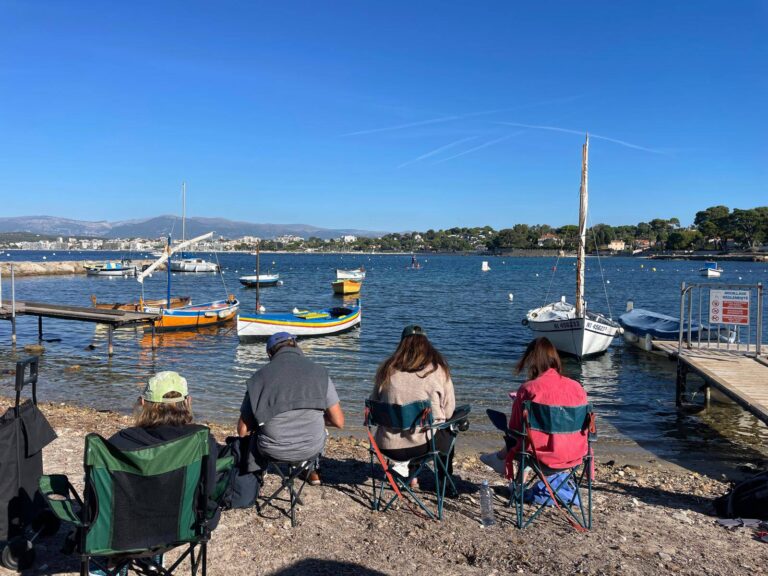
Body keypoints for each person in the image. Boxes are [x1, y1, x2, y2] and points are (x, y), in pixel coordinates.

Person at [95, 371, 220, 575]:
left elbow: (98, 494)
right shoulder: (202, 441)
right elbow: (208, 493)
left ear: (143, 403)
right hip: (180, 528)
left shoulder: (117, 444)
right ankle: (153, 553)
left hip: (122, 533)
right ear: (188, 402)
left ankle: (117, 559)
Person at [237, 332, 344, 486]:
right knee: (319, 427)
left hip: (272, 451)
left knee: (258, 431)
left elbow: (242, 430)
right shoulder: (320, 373)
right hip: (310, 448)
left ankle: (259, 472)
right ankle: (311, 470)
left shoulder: (258, 378)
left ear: (269, 353)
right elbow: (339, 422)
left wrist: (265, 418)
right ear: (296, 346)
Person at [370, 325, 455, 488]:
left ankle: (411, 475)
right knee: (449, 428)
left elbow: (374, 406)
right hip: (424, 447)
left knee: (417, 423)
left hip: (388, 446)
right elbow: (449, 411)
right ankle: (444, 482)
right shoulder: (437, 371)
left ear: (401, 345)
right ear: (427, 346)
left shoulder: (386, 370)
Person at [503, 337, 589, 479]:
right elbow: (585, 428)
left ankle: (515, 482)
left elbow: (515, 428)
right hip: (575, 454)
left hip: (540, 456)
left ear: (532, 360)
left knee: (523, 438)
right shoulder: (577, 387)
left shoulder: (528, 389)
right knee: (529, 438)